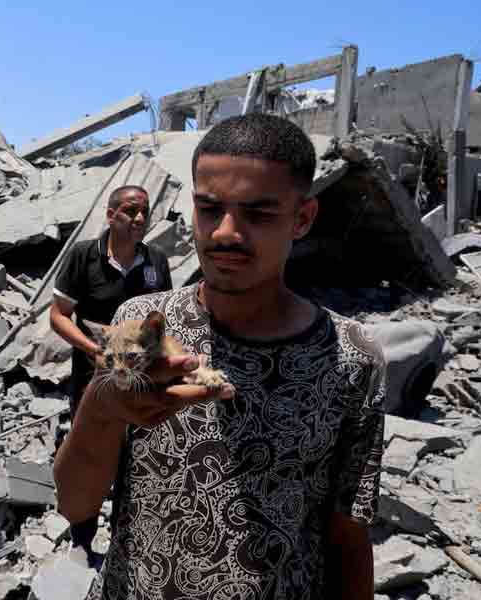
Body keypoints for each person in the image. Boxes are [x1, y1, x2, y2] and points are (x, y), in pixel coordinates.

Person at [54, 113, 385, 600]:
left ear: (303, 218)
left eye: (258, 213)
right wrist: (101, 409)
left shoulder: (351, 358)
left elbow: (349, 536)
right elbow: (74, 504)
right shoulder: (143, 325)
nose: (226, 232)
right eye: (210, 209)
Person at [49, 184, 172, 558]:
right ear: (110, 214)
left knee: (136, 457)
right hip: (94, 380)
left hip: (140, 379)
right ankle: (81, 538)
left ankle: (126, 541)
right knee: (89, 455)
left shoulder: (156, 262)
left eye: (144, 212)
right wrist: (94, 349)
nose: (139, 219)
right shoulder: (84, 257)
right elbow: (58, 316)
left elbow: (159, 321)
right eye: (130, 211)